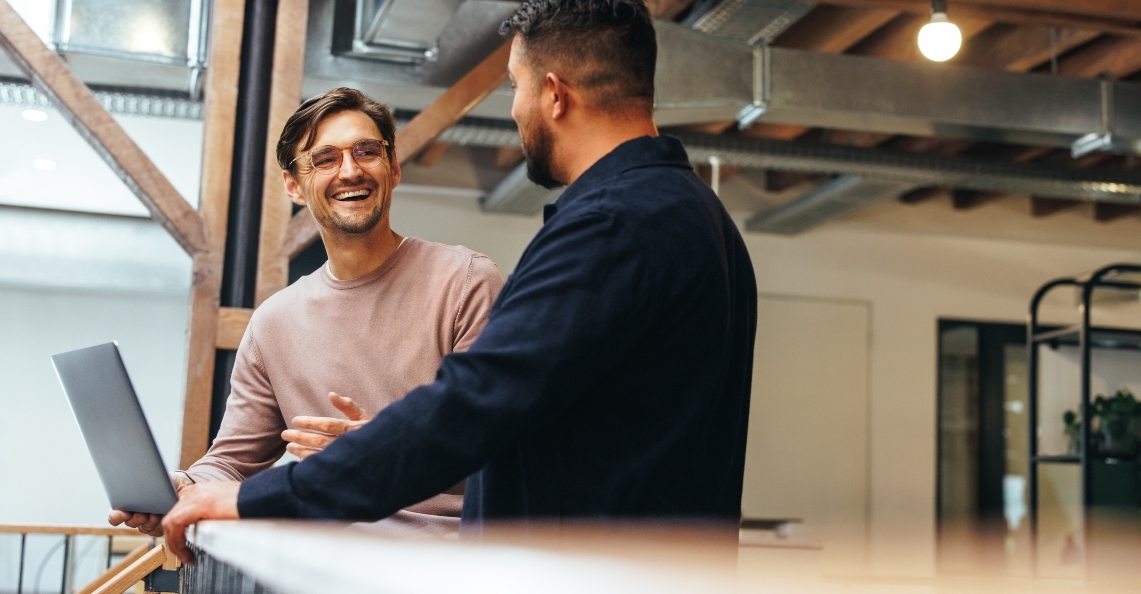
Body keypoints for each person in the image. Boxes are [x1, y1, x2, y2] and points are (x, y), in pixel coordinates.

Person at [163, 0, 757, 563]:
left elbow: (471, 410)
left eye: (516, 88)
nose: (516, 108)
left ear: (553, 94)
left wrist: (255, 498)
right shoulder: (698, 216)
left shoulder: (610, 226)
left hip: (593, 592)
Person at [110, 88, 504, 538]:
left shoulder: (467, 281)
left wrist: (381, 447)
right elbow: (232, 462)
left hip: (445, 565)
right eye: (325, 159)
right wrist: (188, 486)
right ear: (293, 185)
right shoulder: (274, 322)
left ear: (393, 167)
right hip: (319, 569)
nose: (351, 170)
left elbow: (498, 439)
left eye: (367, 151)